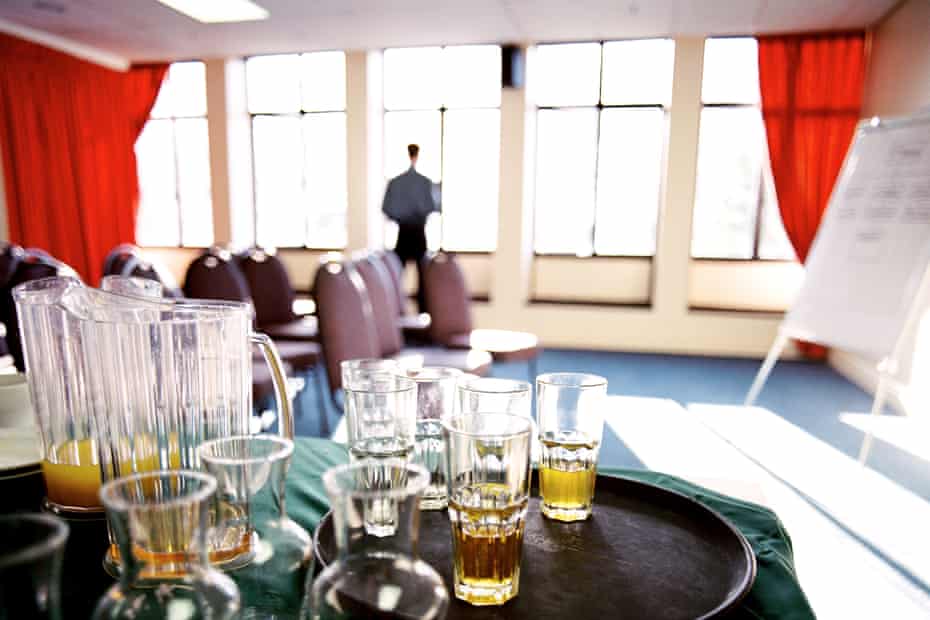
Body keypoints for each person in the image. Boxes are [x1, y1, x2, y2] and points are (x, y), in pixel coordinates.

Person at [382, 144, 440, 312]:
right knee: (417, 277)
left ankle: (398, 311)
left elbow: (387, 209)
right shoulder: (424, 182)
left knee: (401, 275)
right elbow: (433, 207)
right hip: (414, 232)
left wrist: (402, 215)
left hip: (405, 232)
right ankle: (419, 313)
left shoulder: (397, 182)